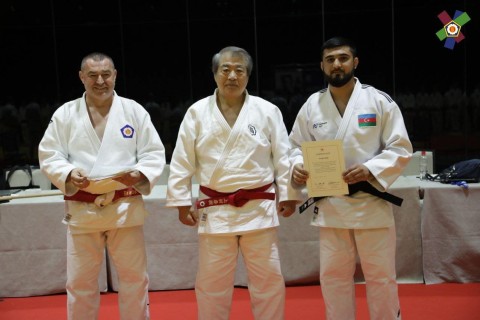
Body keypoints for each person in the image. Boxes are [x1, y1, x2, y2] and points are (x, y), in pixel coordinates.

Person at [166, 46, 299, 320]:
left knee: (268, 282)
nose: (232, 76)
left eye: (239, 70)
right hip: (216, 211)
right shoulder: (196, 112)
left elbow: (282, 157)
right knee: (212, 284)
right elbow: (182, 159)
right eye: (225, 69)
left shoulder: (267, 111)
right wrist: (181, 201)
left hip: (259, 211)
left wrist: (288, 194)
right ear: (215, 74)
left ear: (248, 76)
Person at [289, 37, 412, 320]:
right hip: (331, 204)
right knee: (333, 277)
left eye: (343, 58)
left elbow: (401, 148)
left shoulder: (378, 101)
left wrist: (372, 169)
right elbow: (294, 146)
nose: (336, 64)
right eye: (330, 59)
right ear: (322, 65)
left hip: (371, 202)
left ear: (355, 62)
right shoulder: (311, 105)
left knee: (380, 276)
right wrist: (297, 165)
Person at [38, 52, 166, 320]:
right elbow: (50, 154)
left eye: (106, 74)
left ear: (115, 75)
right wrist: (69, 173)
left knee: (134, 278)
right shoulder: (65, 114)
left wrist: (140, 173)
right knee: (80, 282)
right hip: (83, 210)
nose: (100, 81)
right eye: (93, 75)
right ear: (81, 77)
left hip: (125, 205)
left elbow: (154, 153)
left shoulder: (133, 111)